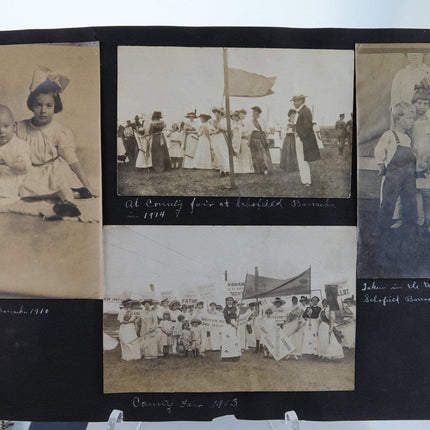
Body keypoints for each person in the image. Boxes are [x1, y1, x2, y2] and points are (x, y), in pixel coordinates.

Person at [17, 68, 95, 217]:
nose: (43, 110)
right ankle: (59, 194)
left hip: (53, 170)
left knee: (61, 183)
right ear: (31, 105)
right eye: (38, 105)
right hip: (31, 170)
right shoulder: (21, 127)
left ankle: (69, 203)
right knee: (19, 188)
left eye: (48, 106)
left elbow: (72, 161)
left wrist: (88, 184)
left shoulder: (59, 132)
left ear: (56, 107)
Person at [375, 102, 417, 234]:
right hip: (394, 173)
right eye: (409, 118)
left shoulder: (408, 138)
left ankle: (409, 224)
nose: (412, 122)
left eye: (413, 118)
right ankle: (382, 227)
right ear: (398, 119)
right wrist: (381, 165)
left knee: (410, 199)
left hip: (409, 174)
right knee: (389, 200)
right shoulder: (389, 135)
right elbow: (379, 150)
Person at [0, 105, 31, 205]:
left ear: (13, 127)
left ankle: (7, 198)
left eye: (6, 126)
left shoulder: (20, 145)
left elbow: (25, 166)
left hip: (12, 178)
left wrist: (9, 163)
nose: (1, 131)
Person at [291, 94, 321, 187]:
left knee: (303, 160)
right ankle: (304, 180)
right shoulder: (301, 111)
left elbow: (307, 126)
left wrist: (300, 136)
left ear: (300, 101)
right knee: (301, 160)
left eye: (295, 101)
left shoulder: (305, 111)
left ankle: (306, 181)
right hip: (300, 138)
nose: (293, 103)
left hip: (303, 139)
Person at [247, 106, 272, 175]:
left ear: (258, 113)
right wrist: (249, 141)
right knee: (254, 154)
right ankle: (257, 169)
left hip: (261, 138)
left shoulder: (263, 120)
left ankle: (265, 169)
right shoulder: (251, 121)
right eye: (253, 112)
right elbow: (249, 132)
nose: (253, 113)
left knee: (262, 154)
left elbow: (266, 131)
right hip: (253, 138)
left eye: (255, 112)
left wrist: (267, 139)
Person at [210, 107, 230, 176]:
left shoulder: (224, 120)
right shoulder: (214, 121)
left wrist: (220, 128)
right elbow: (211, 130)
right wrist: (214, 131)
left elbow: (227, 129)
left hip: (222, 137)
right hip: (215, 138)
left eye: (216, 112)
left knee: (223, 152)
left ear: (220, 113)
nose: (215, 114)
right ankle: (221, 170)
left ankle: (227, 170)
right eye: (214, 113)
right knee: (218, 153)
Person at [284, 296, 305, 360]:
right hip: (290, 324)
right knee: (290, 339)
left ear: (297, 300)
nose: (294, 301)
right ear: (292, 300)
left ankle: (296, 354)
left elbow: (301, 317)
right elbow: (286, 316)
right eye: (293, 300)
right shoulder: (289, 308)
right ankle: (289, 353)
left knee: (296, 339)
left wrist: (299, 325)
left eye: (295, 300)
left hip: (296, 324)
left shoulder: (300, 308)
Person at [235, 109, 254, 173]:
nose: (241, 115)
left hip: (245, 139)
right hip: (239, 140)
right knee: (240, 154)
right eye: (240, 114)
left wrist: (248, 139)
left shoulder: (248, 122)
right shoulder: (238, 122)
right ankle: (240, 169)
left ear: (245, 115)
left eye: (242, 114)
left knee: (246, 154)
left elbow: (250, 132)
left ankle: (247, 169)